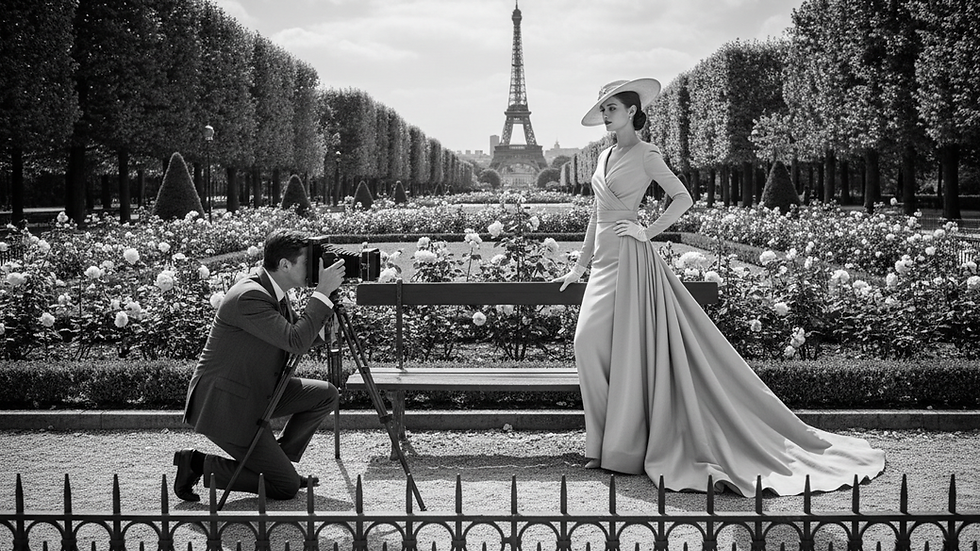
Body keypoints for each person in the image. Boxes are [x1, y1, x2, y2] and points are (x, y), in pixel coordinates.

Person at [552, 78, 885, 496]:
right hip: (603, 264)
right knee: (590, 345)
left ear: (633, 112)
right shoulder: (603, 157)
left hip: (631, 263)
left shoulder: (646, 154)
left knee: (622, 351)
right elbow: (595, 217)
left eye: (612, 108)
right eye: (603, 109)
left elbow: (682, 198)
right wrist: (580, 265)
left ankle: (622, 449)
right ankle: (605, 444)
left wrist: (646, 232)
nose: (606, 116)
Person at [172, 229, 346, 502]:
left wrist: (325, 333)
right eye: (307, 262)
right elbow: (295, 340)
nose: (314, 269)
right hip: (227, 404)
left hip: (257, 390)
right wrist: (322, 293)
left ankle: (276, 462)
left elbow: (294, 335)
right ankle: (195, 464)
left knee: (326, 394)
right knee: (285, 488)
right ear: (285, 265)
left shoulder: (273, 290)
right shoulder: (249, 296)